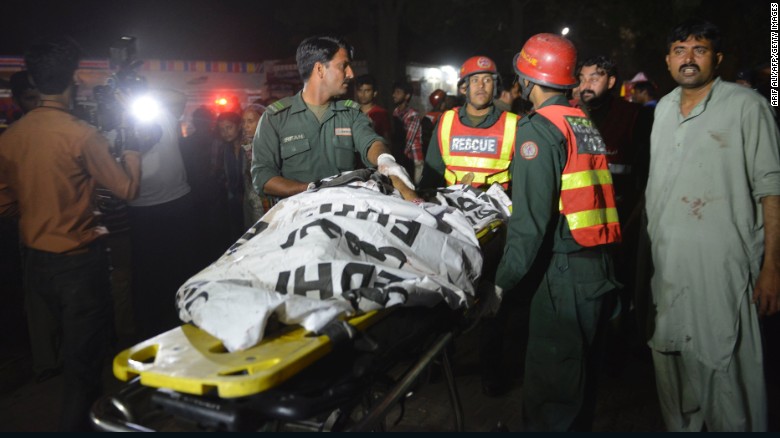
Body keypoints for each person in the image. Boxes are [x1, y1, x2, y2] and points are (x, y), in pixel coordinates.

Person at [0, 35, 141, 431]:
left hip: (36, 261)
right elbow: (127, 189)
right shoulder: (81, 134)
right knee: (84, 367)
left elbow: (4, 202)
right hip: (79, 262)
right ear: (73, 79)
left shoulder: (11, 137)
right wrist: (133, 149)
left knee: (65, 357)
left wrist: (38, 216)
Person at [645, 18, 779, 432]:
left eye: (699, 50)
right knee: (674, 377)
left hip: (723, 272)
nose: (688, 58)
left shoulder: (747, 107)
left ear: (716, 59)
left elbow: (771, 191)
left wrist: (772, 268)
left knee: (728, 380)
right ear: (668, 60)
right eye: (680, 50)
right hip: (669, 269)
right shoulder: (663, 109)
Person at [494, 33, 621, 431]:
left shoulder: (538, 129)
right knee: (579, 382)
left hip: (564, 273)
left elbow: (530, 224)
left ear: (529, 80)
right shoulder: (580, 119)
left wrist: (501, 285)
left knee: (553, 386)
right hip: (597, 268)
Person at [252, 35, 412, 201]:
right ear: (320, 69)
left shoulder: (350, 113)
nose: (350, 74)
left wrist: (385, 159)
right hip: (297, 217)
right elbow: (263, 177)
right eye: (344, 66)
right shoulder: (275, 118)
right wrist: (311, 189)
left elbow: (371, 142)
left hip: (343, 214)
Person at [127, 89, 198, 341]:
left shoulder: (161, 114)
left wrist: (140, 93)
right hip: (141, 210)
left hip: (177, 202)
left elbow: (178, 96)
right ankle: (149, 328)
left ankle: (185, 319)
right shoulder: (118, 124)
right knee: (148, 274)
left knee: (182, 267)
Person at [419, 56, 517, 191]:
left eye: (487, 80)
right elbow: (432, 174)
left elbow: (522, 184)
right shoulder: (446, 121)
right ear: (464, 88)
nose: (481, 85)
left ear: (494, 87)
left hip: (497, 211)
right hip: (453, 209)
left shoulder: (513, 125)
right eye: (475, 80)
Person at [216, 111, 246, 241]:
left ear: (239, 126)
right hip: (233, 196)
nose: (226, 132)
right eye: (222, 129)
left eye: (229, 127)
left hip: (250, 196)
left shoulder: (249, 145)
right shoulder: (224, 148)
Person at [240, 103, 268, 228]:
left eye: (250, 121)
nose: (245, 126)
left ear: (263, 120)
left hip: (266, 200)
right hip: (251, 199)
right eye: (244, 121)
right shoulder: (245, 143)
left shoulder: (270, 143)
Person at [354, 74, 391, 139]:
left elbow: (387, 139)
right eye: (360, 90)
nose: (363, 94)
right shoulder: (352, 111)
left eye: (367, 91)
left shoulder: (381, 113)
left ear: (374, 93)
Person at [420, 88, 447, 153]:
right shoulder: (444, 115)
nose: (445, 103)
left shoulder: (426, 115)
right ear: (439, 103)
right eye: (444, 101)